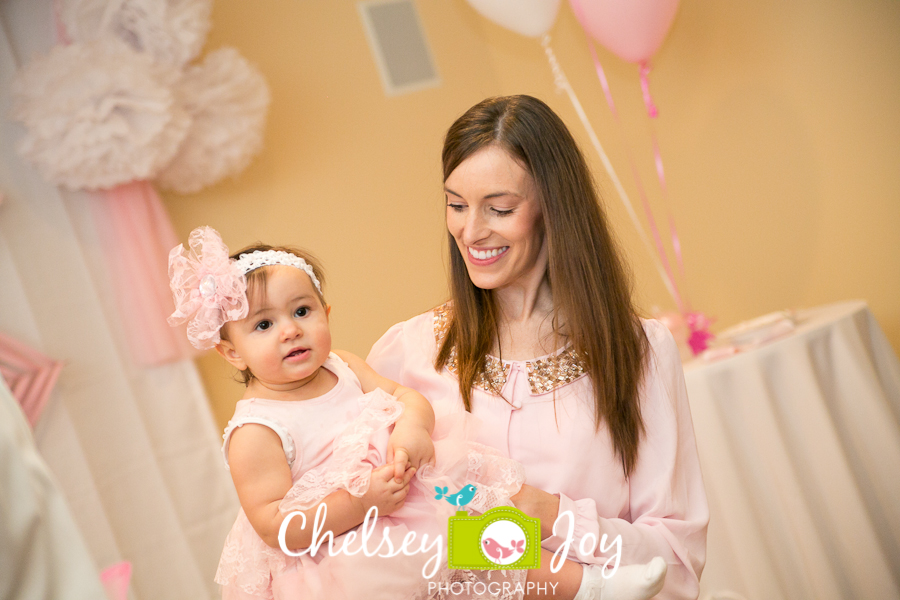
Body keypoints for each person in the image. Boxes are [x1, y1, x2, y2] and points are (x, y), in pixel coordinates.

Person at [168, 226, 669, 600]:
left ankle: (590, 585)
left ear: (326, 314)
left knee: (488, 530)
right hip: (346, 547)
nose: (290, 330)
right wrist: (361, 505)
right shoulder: (257, 429)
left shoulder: (343, 366)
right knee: (459, 553)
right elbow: (274, 525)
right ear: (231, 353)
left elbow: (406, 397)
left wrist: (410, 431)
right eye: (263, 325)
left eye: (302, 311)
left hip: (410, 498)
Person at [367, 95, 709, 600]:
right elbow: (372, 527)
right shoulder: (409, 351)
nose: (472, 231)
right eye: (456, 204)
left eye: (500, 209)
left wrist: (546, 512)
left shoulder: (638, 351)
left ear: (553, 206)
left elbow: (674, 566)